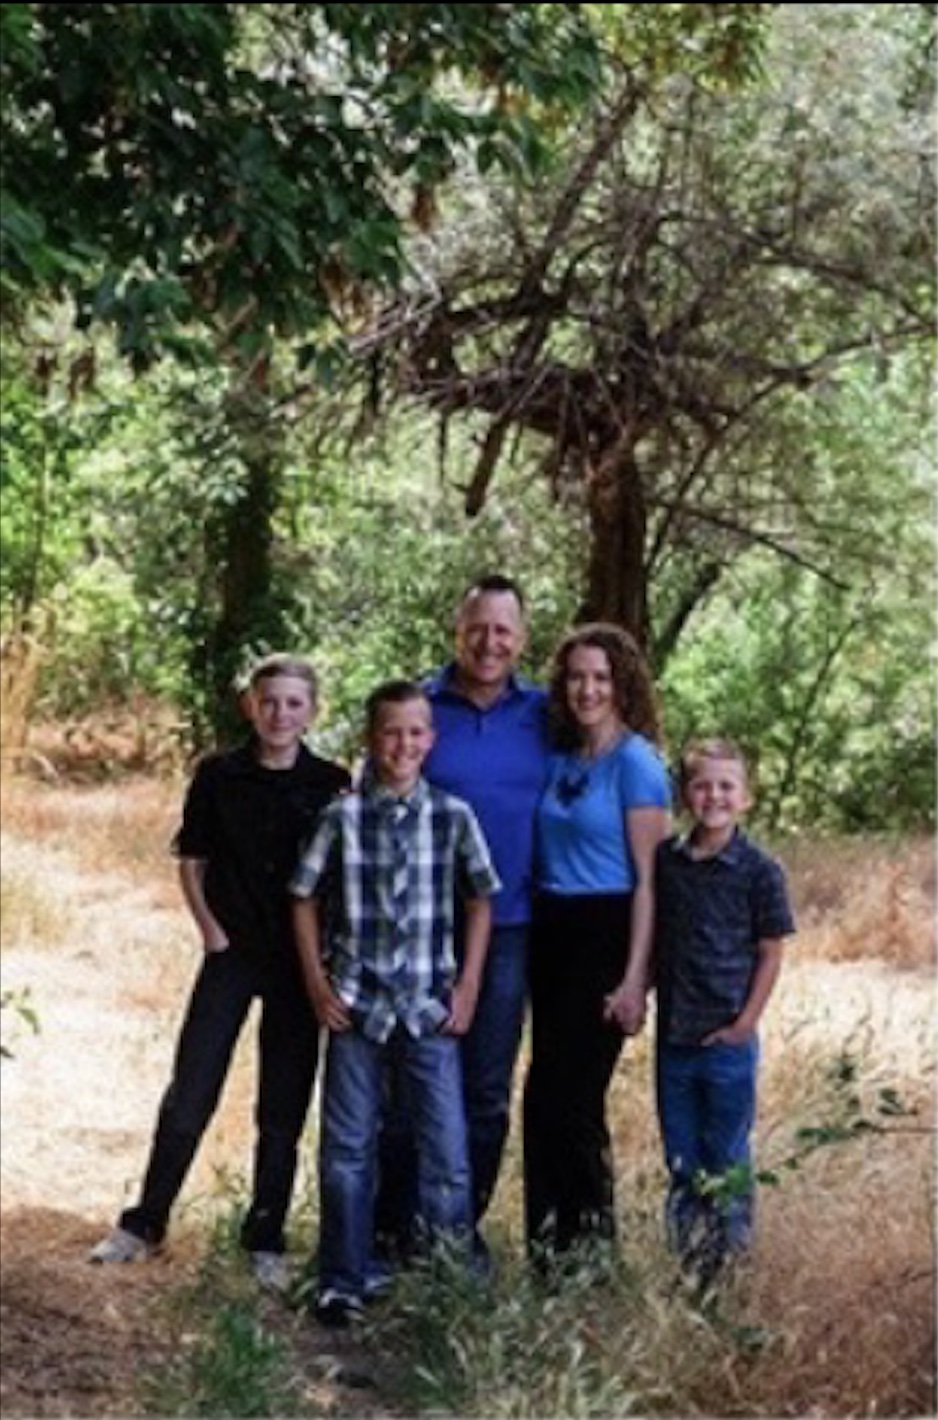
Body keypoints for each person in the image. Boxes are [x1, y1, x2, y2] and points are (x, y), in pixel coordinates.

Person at [89, 653, 350, 1291]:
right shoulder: (218, 775)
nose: (280, 714)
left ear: (312, 711)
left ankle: (265, 1237)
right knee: (191, 1089)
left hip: (297, 963)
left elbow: (343, 875)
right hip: (231, 952)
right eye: (269, 702)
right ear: (249, 706)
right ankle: (144, 1223)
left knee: (283, 1106)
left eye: (294, 703)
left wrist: (327, 956)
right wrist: (210, 930)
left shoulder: (332, 783)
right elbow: (192, 859)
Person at [290, 680, 501, 1326]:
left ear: (431, 740)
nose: (403, 744)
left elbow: (480, 900)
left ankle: (447, 1277)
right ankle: (343, 1280)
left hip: (429, 1007)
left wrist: (466, 987)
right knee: (348, 1147)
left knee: (447, 1152)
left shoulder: (453, 816)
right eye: (390, 732)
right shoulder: (341, 818)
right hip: (355, 1006)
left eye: (415, 733)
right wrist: (317, 984)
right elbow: (302, 897)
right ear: (370, 739)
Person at [375, 574, 551, 1262]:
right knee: (404, 1084)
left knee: (485, 1088)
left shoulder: (545, 714)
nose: (490, 642)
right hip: (415, 927)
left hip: (508, 927)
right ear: (457, 630)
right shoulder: (422, 706)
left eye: (504, 630)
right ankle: (389, 1231)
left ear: (522, 638)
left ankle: (454, 1231)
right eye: (478, 627)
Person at [523, 622, 671, 1262]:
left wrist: (636, 976)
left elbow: (650, 884)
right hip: (550, 933)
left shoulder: (637, 764)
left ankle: (590, 1252)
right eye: (577, 676)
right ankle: (545, 1248)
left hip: (607, 935)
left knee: (576, 1100)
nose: (587, 689)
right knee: (540, 1097)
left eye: (601, 678)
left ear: (623, 685)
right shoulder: (560, 755)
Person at [653, 737, 795, 1290]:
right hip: (675, 1040)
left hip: (728, 1041)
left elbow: (771, 950)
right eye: (702, 784)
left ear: (746, 797)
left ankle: (731, 1268)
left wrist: (745, 1023)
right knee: (683, 1160)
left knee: (727, 1159)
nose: (713, 795)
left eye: (726, 786)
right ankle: (689, 1269)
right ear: (686, 795)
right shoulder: (668, 861)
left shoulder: (759, 869)